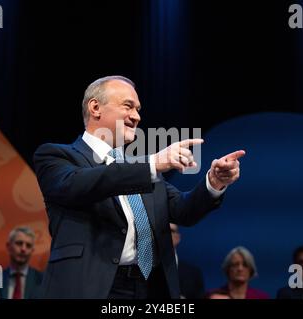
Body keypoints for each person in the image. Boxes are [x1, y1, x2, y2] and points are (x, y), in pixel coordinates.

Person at [33, 75, 245, 299]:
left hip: (150, 289)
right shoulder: (56, 156)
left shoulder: (141, 169)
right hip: (90, 287)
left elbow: (184, 211)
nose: (136, 116)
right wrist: (153, 163)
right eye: (128, 106)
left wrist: (214, 182)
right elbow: (77, 185)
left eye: (138, 109)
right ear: (95, 107)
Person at [0, 226, 44, 299]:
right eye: (19, 243)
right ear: (9, 246)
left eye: (28, 245)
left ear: (32, 250)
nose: (23, 249)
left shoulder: (42, 280)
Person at [170, 223, 205, 299]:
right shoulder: (142, 271)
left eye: (170, 231)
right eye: (162, 231)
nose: (166, 235)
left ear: (178, 238)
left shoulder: (193, 274)